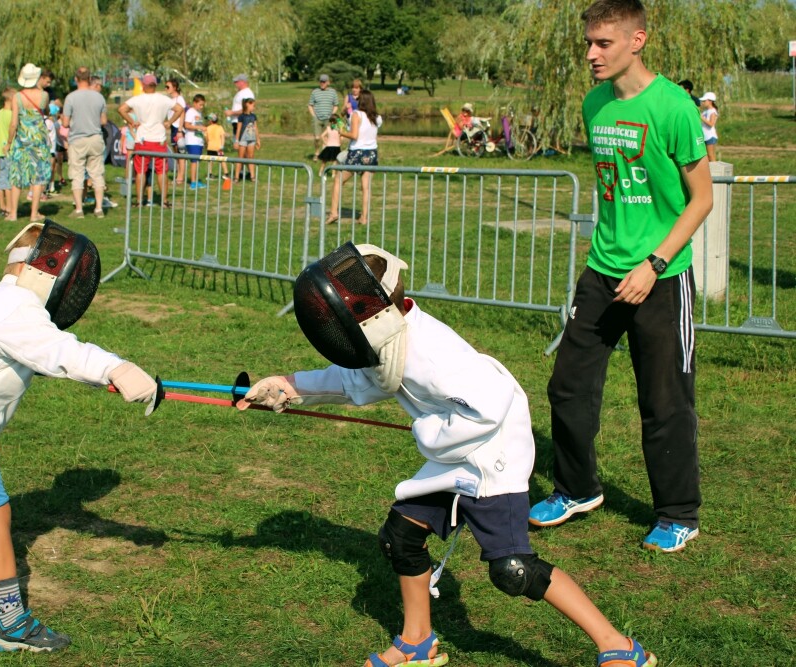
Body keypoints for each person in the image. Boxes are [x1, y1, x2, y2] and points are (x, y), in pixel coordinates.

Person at [240, 242, 659, 667]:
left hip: (495, 452)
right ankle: (416, 643)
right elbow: (356, 379)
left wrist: (427, 429)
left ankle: (620, 647)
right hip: (459, 449)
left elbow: (491, 404)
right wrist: (288, 385)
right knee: (401, 537)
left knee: (513, 568)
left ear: (375, 309)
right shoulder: (389, 332)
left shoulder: (432, 355)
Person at [0, 220, 160, 653]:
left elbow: (47, 356)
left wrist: (104, 377)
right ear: (45, 272)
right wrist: (117, 368)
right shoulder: (17, 311)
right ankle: (11, 624)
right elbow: (62, 351)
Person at [529, 0, 713, 554]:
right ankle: (577, 488)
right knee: (568, 385)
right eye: (588, 42)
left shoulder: (674, 107)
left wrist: (653, 264)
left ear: (638, 40)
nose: (590, 54)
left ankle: (678, 512)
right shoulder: (595, 105)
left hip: (662, 276)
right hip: (601, 272)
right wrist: (613, 260)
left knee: (664, 400)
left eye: (603, 43)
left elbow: (700, 200)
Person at [117, 73, 183, 208]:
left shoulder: (137, 99)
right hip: (159, 139)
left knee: (140, 171)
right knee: (161, 171)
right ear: (155, 85)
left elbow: (121, 109)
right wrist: (169, 122)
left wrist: (133, 121)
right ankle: (164, 201)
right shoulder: (163, 99)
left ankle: (139, 200)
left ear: (143, 85)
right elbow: (179, 109)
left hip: (142, 140)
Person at [326, 88, 381, 225]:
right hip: (372, 153)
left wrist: (342, 133)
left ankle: (333, 213)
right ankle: (364, 217)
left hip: (357, 153)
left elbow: (355, 135)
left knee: (339, 180)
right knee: (366, 186)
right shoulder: (377, 117)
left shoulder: (357, 115)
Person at [6, 63, 52, 222]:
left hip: (21, 140)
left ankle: (13, 213)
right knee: (38, 177)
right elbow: (46, 112)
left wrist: (8, 143)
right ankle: (34, 214)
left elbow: (13, 123)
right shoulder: (44, 96)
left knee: (17, 175)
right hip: (39, 140)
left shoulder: (17, 97)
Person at [63, 66, 108, 219]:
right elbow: (103, 120)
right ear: (89, 79)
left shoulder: (71, 98)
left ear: (76, 79)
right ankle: (99, 208)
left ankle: (79, 210)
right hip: (95, 137)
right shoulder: (99, 97)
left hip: (78, 138)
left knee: (77, 173)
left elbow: (65, 122)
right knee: (97, 173)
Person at [308, 74, 340, 159]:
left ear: (328, 82)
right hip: (317, 118)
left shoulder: (332, 92)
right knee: (317, 138)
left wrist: (332, 115)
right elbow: (310, 105)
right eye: (321, 81)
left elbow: (336, 105)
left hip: (328, 119)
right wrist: (314, 115)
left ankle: (324, 155)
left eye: (324, 82)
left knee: (327, 137)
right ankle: (317, 152)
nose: (322, 83)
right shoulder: (315, 92)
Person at [0, 88, 16, 218]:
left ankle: (2, 206)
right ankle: (10, 207)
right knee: (9, 181)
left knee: (1, 178)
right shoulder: (11, 115)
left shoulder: (0, 113)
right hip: (10, 149)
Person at [164, 78, 188, 185]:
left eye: (168, 87)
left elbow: (182, 113)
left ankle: (180, 177)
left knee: (180, 153)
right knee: (176, 153)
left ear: (175, 87)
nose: (166, 89)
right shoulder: (170, 100)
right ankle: (178, 174)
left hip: (178, 128)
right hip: (173, 127)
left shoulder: (179, 99)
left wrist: (179, 130)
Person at [232, 97, 260, 182]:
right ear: (247, 104)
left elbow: (256, 128)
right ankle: (236, 177)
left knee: (251, 157)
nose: (254, 107)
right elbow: (239, 129)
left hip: (251, 139)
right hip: (242, 139)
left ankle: (252, 177)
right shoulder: (241, 117)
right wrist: (236, 141)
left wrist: (258, 139)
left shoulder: (253, 116)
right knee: (240, 158)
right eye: (253, 105)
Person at [183, 93, 207, 189]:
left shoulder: (199, 113)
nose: (201, 107)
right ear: (194, 103)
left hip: (198, 140)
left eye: (203, 105)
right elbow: (187, 125)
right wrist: (199, 127)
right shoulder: (191, 112)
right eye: (200, 104)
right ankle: (193, 182)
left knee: (197, 162)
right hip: (192, 140)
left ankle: (196, 180)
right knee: (194, 161)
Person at [226, 73, 255, 146]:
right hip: (238, 123)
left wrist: (232, 113)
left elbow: (247, 109)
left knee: (243, 146)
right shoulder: (241, 93)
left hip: (243, 123)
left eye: (236, 82)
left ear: (242, 82)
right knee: (240, 146)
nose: (235, 84)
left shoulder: (247, 93)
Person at [204, 112, 230, 186]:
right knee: (222, 160)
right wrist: (222, 145)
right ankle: (226, 174)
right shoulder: (220, 127)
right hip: (219, 148)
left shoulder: (208, 128)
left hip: (210, 147)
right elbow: (222, 136)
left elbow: (206, 138)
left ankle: (210, 174)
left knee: (210, 161)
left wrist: (207, 143)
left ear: (210, 121)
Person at [699, 91, 719, 162]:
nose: (703, 102)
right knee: (706, 157)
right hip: (705, 136)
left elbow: (711, 124)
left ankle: (715, 172)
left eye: (704, 101)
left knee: (711, 156)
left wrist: (702, 117)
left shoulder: (712, 111)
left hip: (710, 136)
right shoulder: (705, 111)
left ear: (710, 101)